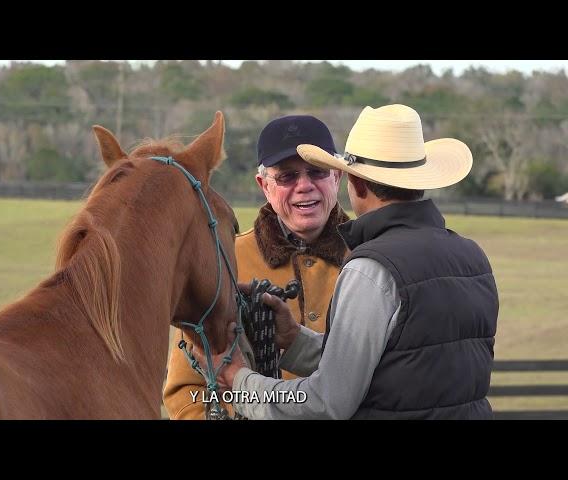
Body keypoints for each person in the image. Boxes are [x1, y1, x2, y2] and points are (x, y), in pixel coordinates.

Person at [196, 104, 499, 420]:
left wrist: (237, 380)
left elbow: (326, 402)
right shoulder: (473, 257)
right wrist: (296, 340)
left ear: (355, 182)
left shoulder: (371, 269)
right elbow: (398, 368)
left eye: (318, 171)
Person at [163, 115, 350, 419]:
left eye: (317, 172)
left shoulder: (372, 261)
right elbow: (185, 389)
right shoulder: (222, 260)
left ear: (337, 178)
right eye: (287, 176)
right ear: (264, 185)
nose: (304, 186)